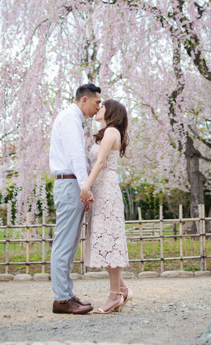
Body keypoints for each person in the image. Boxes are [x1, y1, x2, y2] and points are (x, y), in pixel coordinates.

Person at [50, 83, 101, 314]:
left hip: (70, 182)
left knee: (70, 242)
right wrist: (85, 185)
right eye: (96, 102)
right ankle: (61, 299)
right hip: (70, 182)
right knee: (64, 243)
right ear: (84, 100)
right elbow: (75, 155)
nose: (98, 106)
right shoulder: (70, 118)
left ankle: (67, 294)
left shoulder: (71, 118)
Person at [81, 99, 133, 314]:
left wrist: (86, 186)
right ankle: (122, 290)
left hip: (107, 189)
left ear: (111, 112)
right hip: (101, 189)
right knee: (104, 238)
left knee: (110, 237)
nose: (98, 108)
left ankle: (115, 295)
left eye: (102, 106)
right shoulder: (106, 133)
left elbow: (100, 162)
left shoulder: (112, 131)